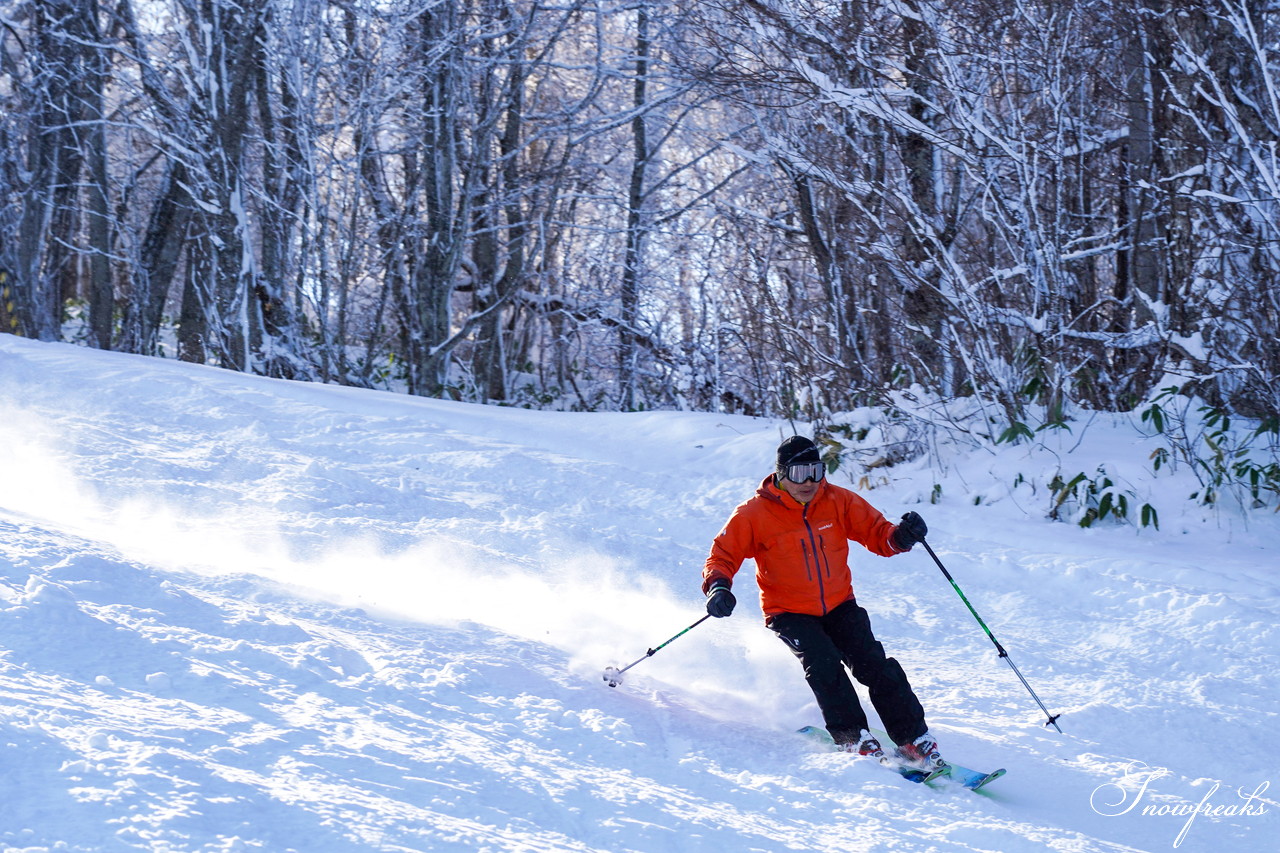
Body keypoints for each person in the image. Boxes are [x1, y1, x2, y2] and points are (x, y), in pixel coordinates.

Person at [701, 434, 939, 766]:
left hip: (840, 603)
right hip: (788, 611)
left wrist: (902, 536)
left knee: (876, 665)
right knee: (825, 664)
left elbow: (879, 535)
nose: (809, 481)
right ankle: (852, 736)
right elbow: (722, 556)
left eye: (816, 471)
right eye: (799, 473)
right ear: (781, 474)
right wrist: (718, 587)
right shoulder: (753, 514)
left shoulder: (838, 501)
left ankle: (913, 739)